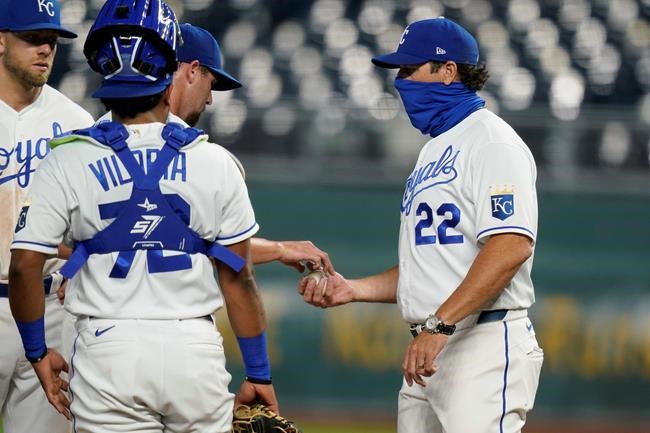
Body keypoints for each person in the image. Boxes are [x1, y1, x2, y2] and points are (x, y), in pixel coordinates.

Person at [9, 0, 278, 432]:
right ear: (169, 70)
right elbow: (238, 275)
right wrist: (259, 373)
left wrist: (38, 352)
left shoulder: (66, 158)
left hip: (107, 352)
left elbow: (24, 266)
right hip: (195, 352)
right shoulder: (215, 161)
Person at [299, 18, 544, 433]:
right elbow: (430, 267)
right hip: (435, 345)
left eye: (411, 69)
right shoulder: (433, 151)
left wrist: (439, 324)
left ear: (448, 71)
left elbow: (510, 245)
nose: (400, 81)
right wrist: (353, 289)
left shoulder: (491, 141)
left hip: (480, 343)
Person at [171, 23, 334, 275]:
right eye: (211, 84)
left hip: (103, 311)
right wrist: (276, 250)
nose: (210, 99)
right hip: (179, 310)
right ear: (193, 71)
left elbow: (205, 248)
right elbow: (226, 258)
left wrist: (277, 249)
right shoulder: (210, 162)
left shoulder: (99, 139)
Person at [0, 0, 94, 431]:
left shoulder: (77, 123)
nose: (45, 50)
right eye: (33, 38)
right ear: (0, 40)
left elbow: (92, 224)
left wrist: (78, 261)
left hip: (52, 307)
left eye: (52, 41)